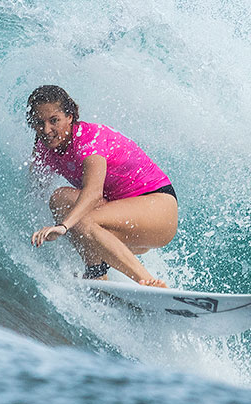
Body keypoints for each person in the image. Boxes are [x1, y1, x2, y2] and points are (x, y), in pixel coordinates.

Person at [27, 85, 177, 287]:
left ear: (70, 117)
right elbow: (36, 189)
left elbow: (92, 194)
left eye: (54, 121)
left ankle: (148, 282)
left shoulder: (88, 141)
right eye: (39, 123)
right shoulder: (44, 149)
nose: (46, 130)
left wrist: (63, 227)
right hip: (121, 218)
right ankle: (96, 272)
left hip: (158, 209)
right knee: (59, 199)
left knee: (82, 219)